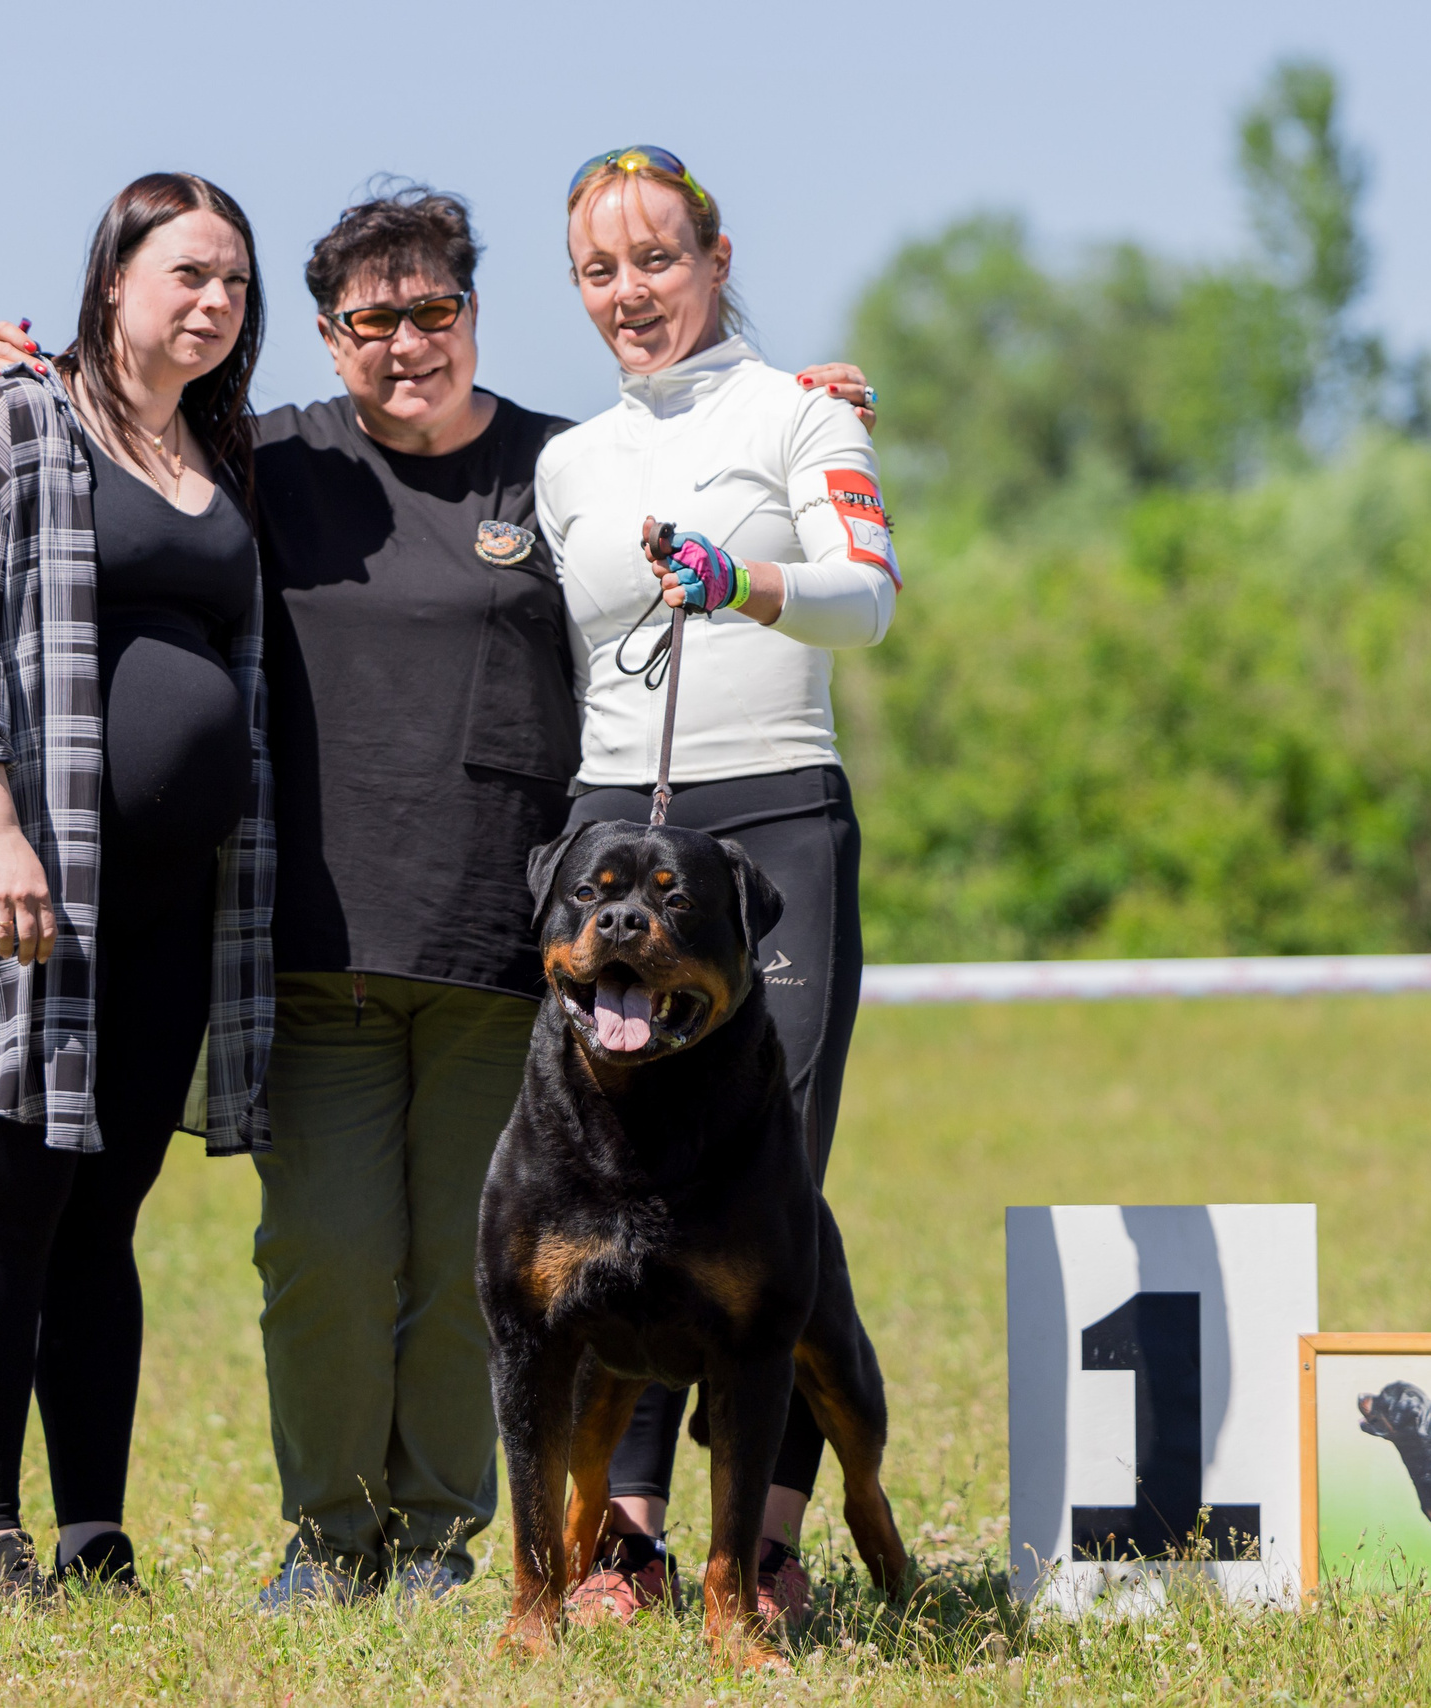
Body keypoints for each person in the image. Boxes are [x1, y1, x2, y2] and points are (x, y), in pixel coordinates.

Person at [0, 185, 874, 1608]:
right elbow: (125, 441)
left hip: (500, 952)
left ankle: (445, 1539)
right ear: (327, 337)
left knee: (471, 1268)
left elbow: (690, 466)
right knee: (320, 1255)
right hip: (312, 943)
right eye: (368, 321)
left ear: (473, 313)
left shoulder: (553, 466)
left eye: (434, 310)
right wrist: (32, 379)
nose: (406, 343)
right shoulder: (259, 458)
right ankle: (330, 1539)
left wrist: (793, 406)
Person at [0, 171, 276, 1607]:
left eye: (233, 280)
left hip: (176, 908)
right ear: (113, 280)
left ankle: (95, 1538)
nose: (213, 301)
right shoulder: (11, 419)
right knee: (12, 1202)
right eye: (187, 273)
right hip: (32, 888)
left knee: (105, 1217)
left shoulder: (224, 449)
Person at [533, 145, 901, 1636]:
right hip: (616, 823)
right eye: (599, 269)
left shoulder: (804, 412)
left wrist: (743, 580)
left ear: (717, 258)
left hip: (775, 819)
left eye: (658, 259)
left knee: (769, 1185)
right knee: (608, 1180)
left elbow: (868, 601)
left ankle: (769, 1543)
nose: (630, 291)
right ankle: (624, 1543)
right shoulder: (568, 461)